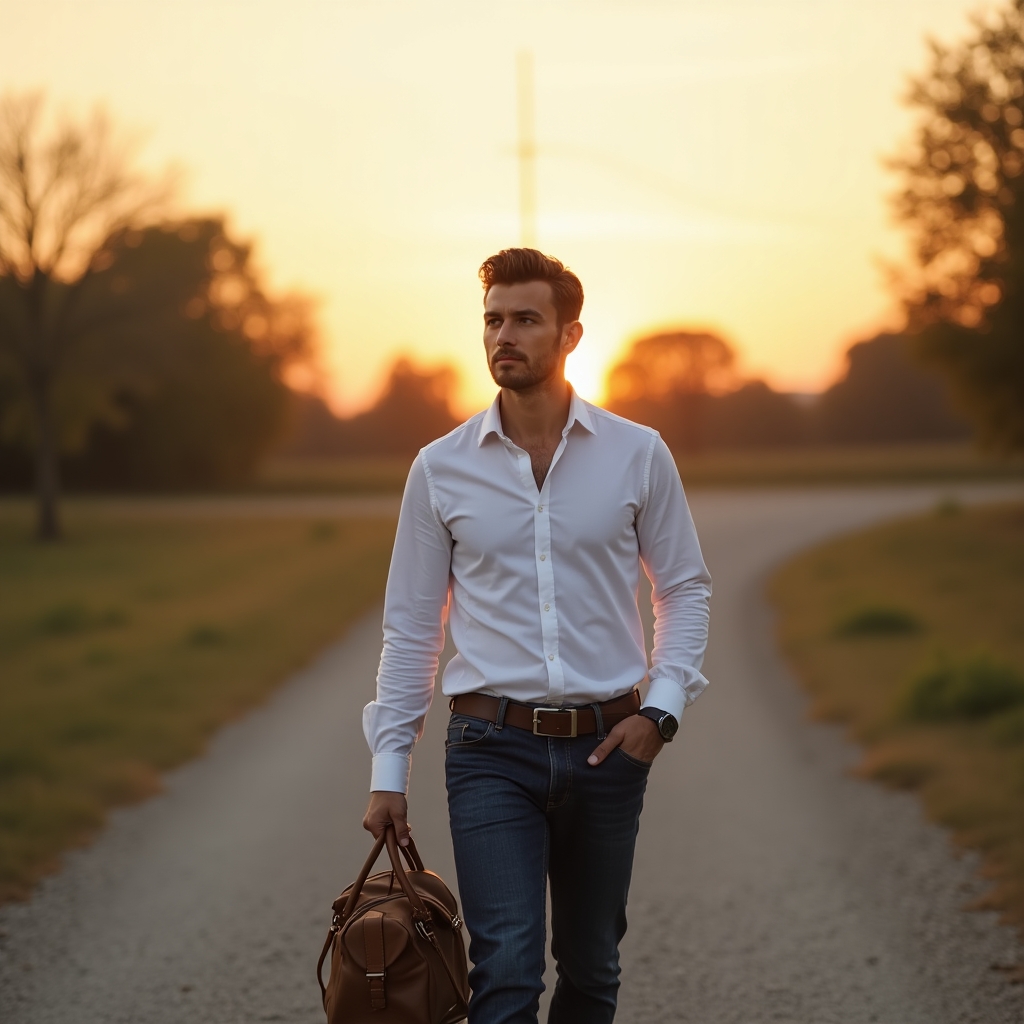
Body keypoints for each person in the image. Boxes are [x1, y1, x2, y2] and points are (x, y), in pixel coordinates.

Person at [362, 248, 711, 1024]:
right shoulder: (440, 468)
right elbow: (413, 627)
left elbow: (683, 588)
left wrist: (661, 712)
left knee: (592, 969)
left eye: (525, 319)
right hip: (491, 749)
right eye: (492, 320)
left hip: (608, 746)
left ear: (571, 334)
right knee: (509, 968)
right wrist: (390, 768)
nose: (503, 336)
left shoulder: (638, 454)